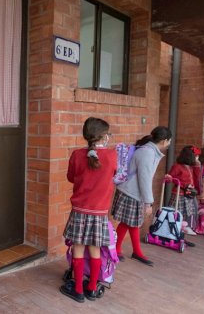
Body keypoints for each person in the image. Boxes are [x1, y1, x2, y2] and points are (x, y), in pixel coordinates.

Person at [59, 117, 117, 303]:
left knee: (78, 248)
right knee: (95, 250)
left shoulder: (77, 155)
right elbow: (114, 174)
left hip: (79, 211)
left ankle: (77, 290)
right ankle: (92, 288)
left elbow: (71, 177)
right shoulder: (112, 156)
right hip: (99, 213)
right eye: (108, 134)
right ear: (103, 136)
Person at [112, 126, 172, 267]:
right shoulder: (148, 153)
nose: (169, 144)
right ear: (164, 141)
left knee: (131, 223)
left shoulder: (149, 151)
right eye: (169, 141)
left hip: (132, 191)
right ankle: (126, 251)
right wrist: (148, 203)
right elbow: (144, 179)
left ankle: (128, 251)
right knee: (130, 223)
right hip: (131, 192)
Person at [167, 146, 200, 236]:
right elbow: (170, 177)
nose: (197, 158)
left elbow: (197, 177)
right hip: (179, 193)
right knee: (177, 210)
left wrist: (197, 166)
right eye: (196, 156)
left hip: (189, 193)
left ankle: (185, 226)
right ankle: (174, 227)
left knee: (188, 211)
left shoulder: (190, 167)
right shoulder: (177, 167)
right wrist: (174, 181)